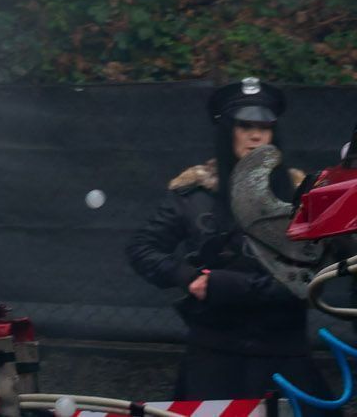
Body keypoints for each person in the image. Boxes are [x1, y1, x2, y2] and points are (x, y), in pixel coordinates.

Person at [126, 78, 325, 398]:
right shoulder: (194, 195)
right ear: (227, 129)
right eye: (245, 125)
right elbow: (141, 247)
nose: (256, 135)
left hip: (283, 355)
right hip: (214, 357)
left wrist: (218, 284)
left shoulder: (300, 198)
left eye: (265, 126)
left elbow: (304, 277)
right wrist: (186, 276)